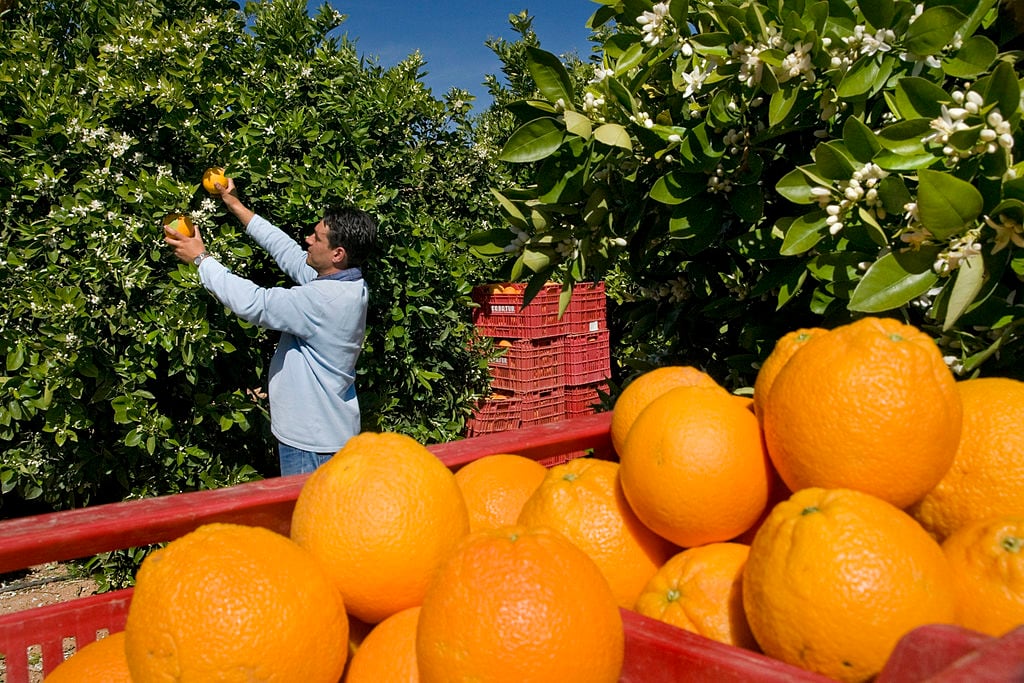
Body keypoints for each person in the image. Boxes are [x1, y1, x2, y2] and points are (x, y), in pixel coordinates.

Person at [163, 176, 377, 476]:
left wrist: (201, 259)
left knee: (309, 520)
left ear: (337, 254)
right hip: (325, 434)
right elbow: (285, 250)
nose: (308, 240)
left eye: (316, 237)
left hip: (312, 446)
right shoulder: (348, 282)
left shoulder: (324, 301)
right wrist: (234, 204)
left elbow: (254, 303)